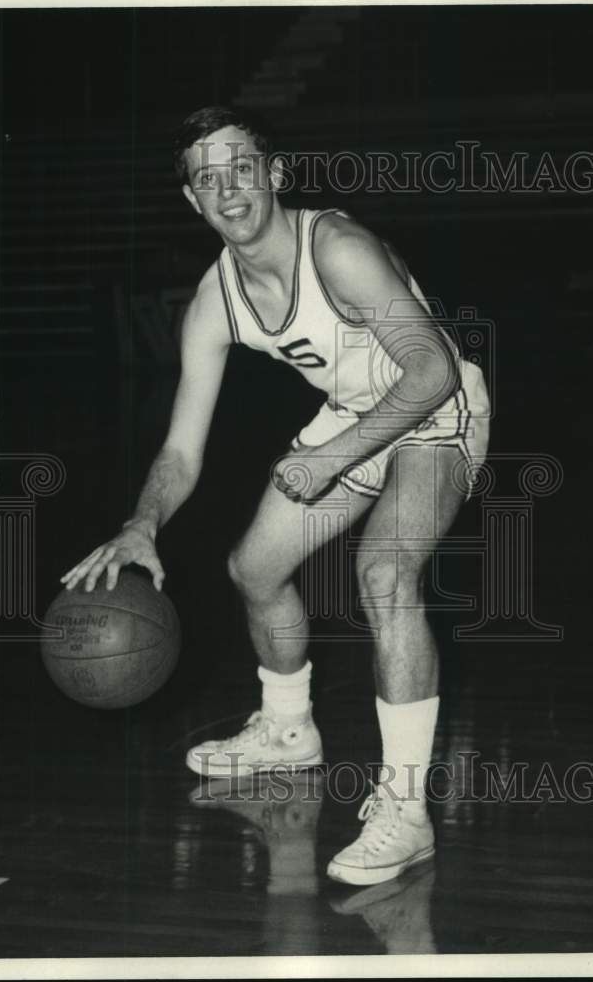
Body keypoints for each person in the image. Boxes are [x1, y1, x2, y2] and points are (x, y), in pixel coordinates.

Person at [61, 106, 490, 887]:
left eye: (242, 167)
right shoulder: (214, 301)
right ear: (192, 199)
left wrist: (332, 457)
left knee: (384, 575)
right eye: (207, 176)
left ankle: (406, 811)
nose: (228, 188)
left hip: (437, 409)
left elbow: (431, 371)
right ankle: (289, 733)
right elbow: (182, 449)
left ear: (276, 174)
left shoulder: (340, 249)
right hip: (354, 418)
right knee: (253, 570)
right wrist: (142, 523)